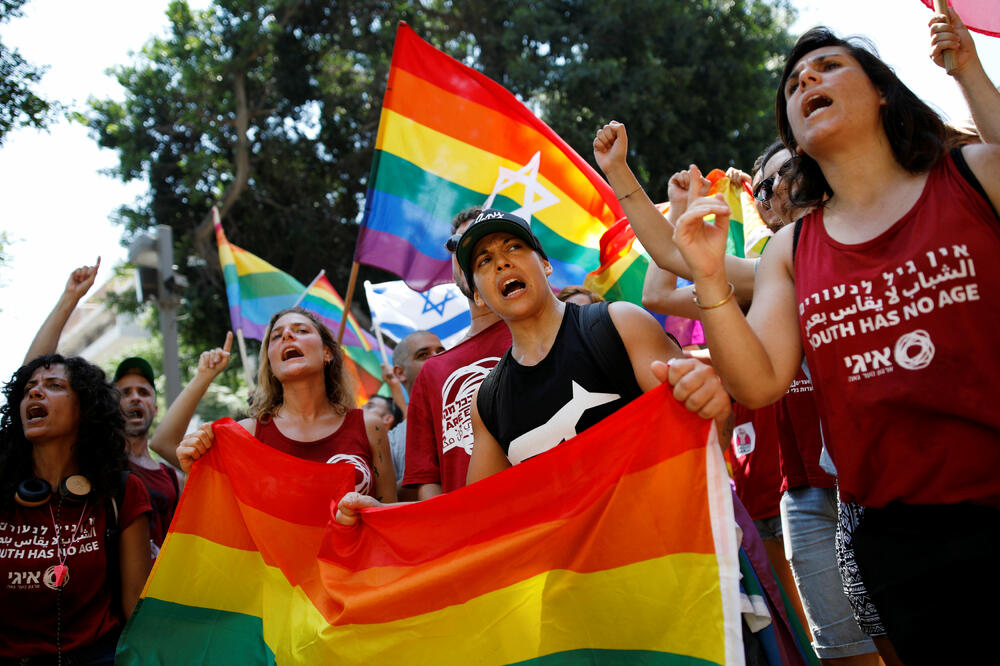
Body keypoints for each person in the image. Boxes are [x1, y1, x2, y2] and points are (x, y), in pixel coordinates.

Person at [652, 27, 1000, 663]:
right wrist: (706, 275)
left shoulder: (972, 178)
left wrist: (968, 72)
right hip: (896, 540)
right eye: (793, 83)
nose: (806, 80)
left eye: (828, 67)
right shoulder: (791, 249)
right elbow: (758, 383)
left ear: (883, 95)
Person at [443, 209, 731, 481]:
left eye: (514, 247)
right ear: (477, 296)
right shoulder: (486, 401)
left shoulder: (621, 324)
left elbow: (704, 436)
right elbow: (485, 515)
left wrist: (713, 408)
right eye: (484, 260)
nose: (502, 262)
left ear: (546, 264)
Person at [23, 260, 191, 554]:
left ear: (155, 404)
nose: (135, 398)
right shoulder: (96, 461)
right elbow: (29, 377)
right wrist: (70, 299)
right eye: (124, 392)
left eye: (143, 391)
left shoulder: (168, 479)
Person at [0, 355, 152, 664]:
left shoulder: (122, 492)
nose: (35, 392)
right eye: (29, 388)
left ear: (85, 407)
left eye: (54, 385)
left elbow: (138, 611)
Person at [176, 307, 396, 503]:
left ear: (327, 353)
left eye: (301, 331)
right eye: (277, 336)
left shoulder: (370, 427)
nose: (288, 335)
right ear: (271, 364)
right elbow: (216, 520)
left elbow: (389, 520)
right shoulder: (245, 435)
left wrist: (372, 510)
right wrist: (193, 473)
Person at [400, 208, 514, 499]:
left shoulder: (553, 334)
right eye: (458, 245)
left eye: (486, 246)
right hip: (477, 539)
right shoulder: (433, 371)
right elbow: (428, 480)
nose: (471, 253)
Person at [376, 331, 444, 499]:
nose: (436, 358)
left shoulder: (475, 408)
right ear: (400, 373)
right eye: (423, 355)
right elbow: (387, 498)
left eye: (441, 352)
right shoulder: (390, 442)